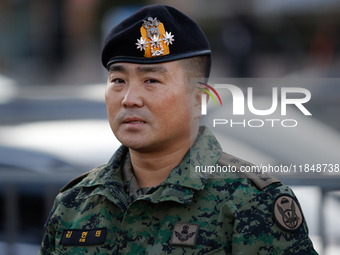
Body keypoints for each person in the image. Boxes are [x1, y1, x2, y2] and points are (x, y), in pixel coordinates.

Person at [39, 4, 318, 255]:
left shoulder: (249, 202)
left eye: (151, 81)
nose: (129, 98)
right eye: (118, 80)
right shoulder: (75, 203)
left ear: (198, 100)